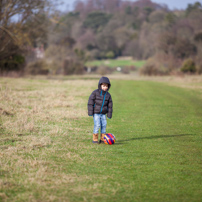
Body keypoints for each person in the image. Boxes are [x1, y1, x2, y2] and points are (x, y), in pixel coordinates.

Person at [88, 77, 113, 143]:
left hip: (103, 113)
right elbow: (90, 102)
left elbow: (110, 105)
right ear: (100, 85)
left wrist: (109, 114)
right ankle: (95, 139)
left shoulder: (108, 95)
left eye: (106, 86)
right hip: (96, 113)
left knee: (104, 125)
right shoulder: (95, 93)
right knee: (97, 125)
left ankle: (102, 139)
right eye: (103, 86)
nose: (105, 87)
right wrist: (90, 112)